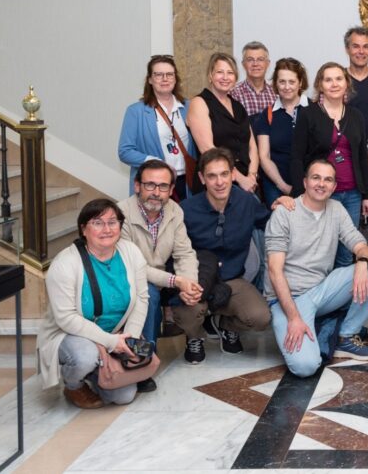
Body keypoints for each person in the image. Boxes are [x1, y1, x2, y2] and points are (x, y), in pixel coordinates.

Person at [265, 160, 368, 377]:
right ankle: (310, 324)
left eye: (328, 179)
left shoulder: (336, 209)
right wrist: (294, 318)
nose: (321, 184)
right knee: (305, 367)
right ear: (305, 182)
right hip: (288, 300)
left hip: (322, 290)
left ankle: (345, 336)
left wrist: (361, 263)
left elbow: (360, 245)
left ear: (334, 187)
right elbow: (275, 272)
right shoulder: (284, 213)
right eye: (316, 178)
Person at [36, 199, 149, 408]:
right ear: (83, 229)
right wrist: (109, 341)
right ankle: (74, 385)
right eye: (97, 223)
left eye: (112, 222)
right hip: (71, 334)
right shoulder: (65, 264)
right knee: (85, 357)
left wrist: (129, 338)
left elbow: (142, 298)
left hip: (114, 333)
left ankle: (96, 371)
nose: (107, 229)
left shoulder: (131, 252)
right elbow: (66, 318)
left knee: (123, 396)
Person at [182, 148, 291, 354]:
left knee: (260, 317)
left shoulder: (246, 202)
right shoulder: (186, 210)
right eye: (212, 176)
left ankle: (225, 325)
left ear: (233, 174)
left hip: (232, 280)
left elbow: (270, 221)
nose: (219, 182)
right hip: (198, 279)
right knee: (187, 313)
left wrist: (281, 205)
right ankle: (194, 336)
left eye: (224, 174)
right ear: (202, 178)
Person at [117, 160, 206, 370]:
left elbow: (184, 253)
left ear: (171, 190)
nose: (156, 192)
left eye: (163, 186)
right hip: (128, 280)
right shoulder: (120, 214)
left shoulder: (175, 211)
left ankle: (147, 357)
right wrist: (176, 281)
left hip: (162, 279)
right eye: (150, 185)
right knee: (149, 293)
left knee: (197, 286)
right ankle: (145, 362)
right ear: (137, 186)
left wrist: (189, 285)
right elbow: (134, 266)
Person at [290, 62, 368, 267]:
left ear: (347, 83)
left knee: (346, 252)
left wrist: (367, 195)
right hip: (320, 193)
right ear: (320, 85)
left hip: (352, 194)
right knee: (320, 250)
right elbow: (296, 156)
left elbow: (362, 157)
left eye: (339, 79)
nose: (334, 84)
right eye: (328, 80)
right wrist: (300, 193)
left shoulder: (356, 116)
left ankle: (342, 288)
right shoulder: (308, 114)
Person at [118, 54, 197, 199]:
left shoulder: (189, 106)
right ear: (150, 79)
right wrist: (155, 162)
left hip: (187, 183)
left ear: (175, 78)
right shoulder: (136, 111)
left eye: (169, 74)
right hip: (155, 184)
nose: (165, 79)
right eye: (158, 74)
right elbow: (125, 151)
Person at [187, 52, 259, 194]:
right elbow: (207, 149)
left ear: (235, 77)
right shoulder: (199, 103)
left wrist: (252, 175)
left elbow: (252, 146)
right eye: (220, 72)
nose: (225, 77)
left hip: (247, 183)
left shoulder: (238, 106)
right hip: (216, 182)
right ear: (210, 75)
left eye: (230, 73)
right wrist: (239, 178)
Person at [253, 57, 308, 205]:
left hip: (310, 185)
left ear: (300, 83)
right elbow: (264, 156)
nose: (287, 87)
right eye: (282, 81)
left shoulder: (314, 110)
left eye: (292, 81)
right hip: (276, 185)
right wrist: (283, 186)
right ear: (276, 84)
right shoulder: (267, 115)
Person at [230, 41, 277, 117]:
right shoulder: (233, 94)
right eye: (250, 60)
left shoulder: (276, 94)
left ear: (268, 64)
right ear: (243, 64)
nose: (255, 64)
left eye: (260, 59)